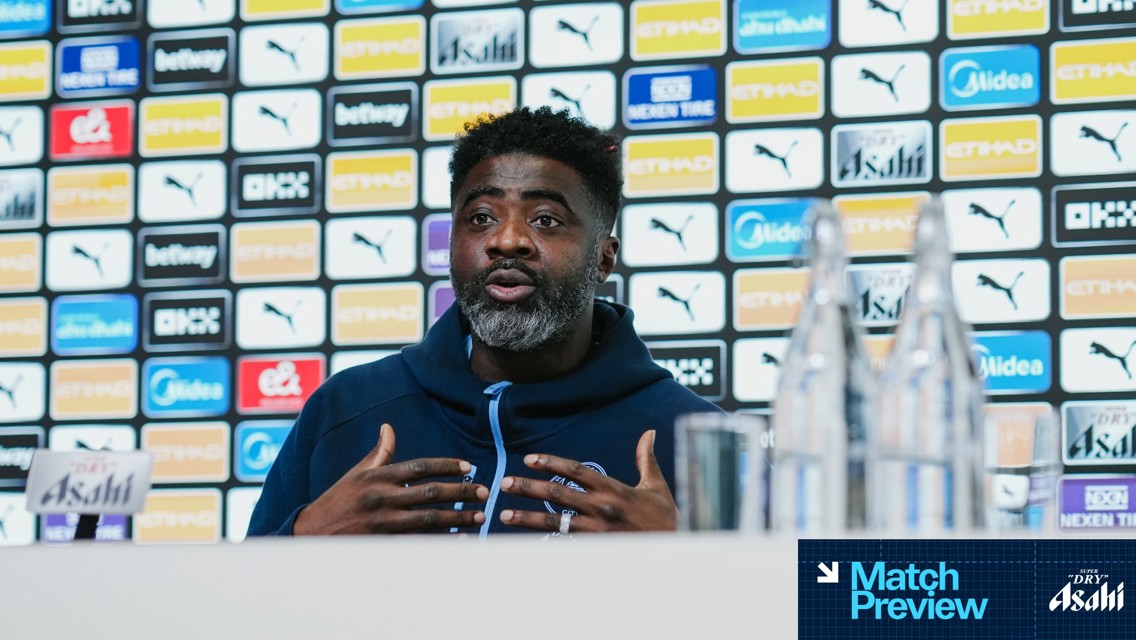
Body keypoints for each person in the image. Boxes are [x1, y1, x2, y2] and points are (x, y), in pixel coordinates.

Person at [247, 107, 721, 537]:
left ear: (603, 257)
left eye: (546, 220)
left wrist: (687, 561)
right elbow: (233, 603)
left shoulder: (695, 438)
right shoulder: (346, 409)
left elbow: (795, 610)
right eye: (480, 217)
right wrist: (303, 537)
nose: (508, 240)